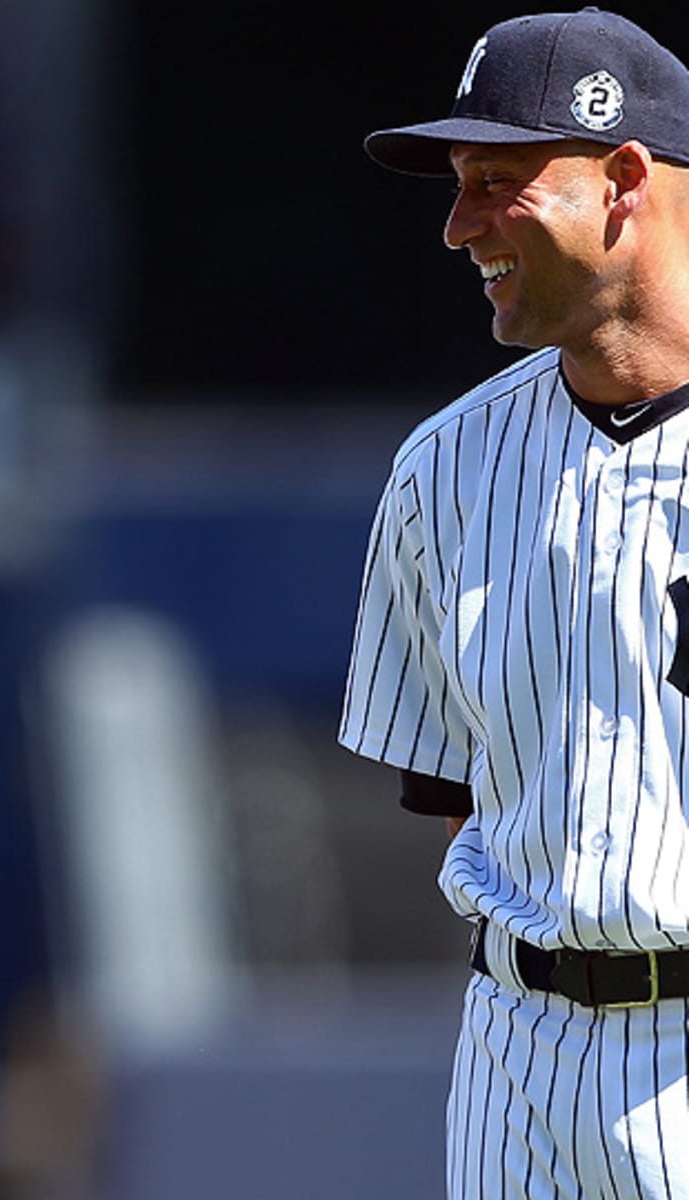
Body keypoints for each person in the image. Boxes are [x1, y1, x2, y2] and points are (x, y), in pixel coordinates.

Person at [340, 8, 689, 1199]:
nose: (458, 227)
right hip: (519, 1048)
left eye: (498, 182)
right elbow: (454, 796)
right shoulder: (443, 469)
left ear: (626, 179)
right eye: (456, 186)